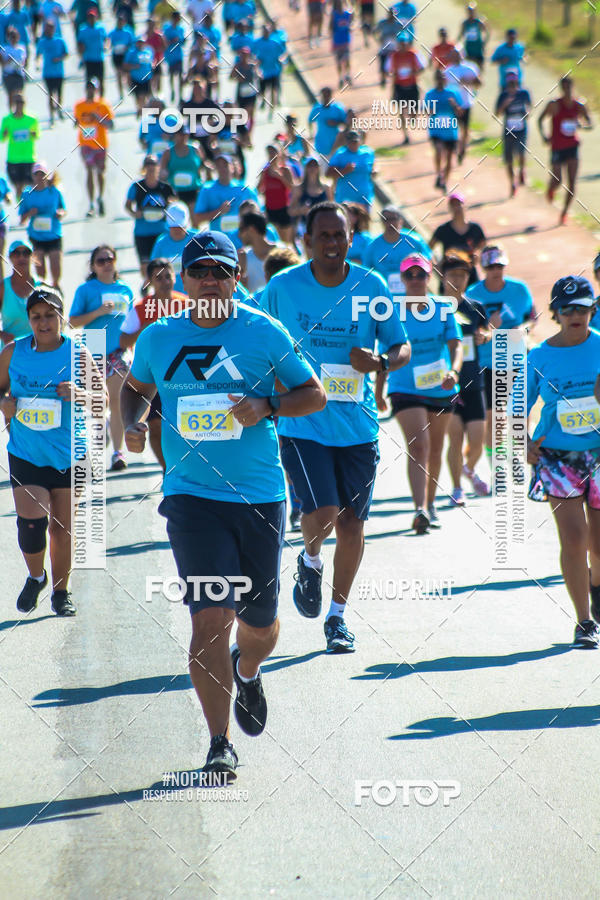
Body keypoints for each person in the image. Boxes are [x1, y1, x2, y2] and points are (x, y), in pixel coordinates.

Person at [122, 231, 325, 779]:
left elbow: (314, 394)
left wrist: (267, 405)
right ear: (184, 280)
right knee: (211, 618)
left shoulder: (263, 331)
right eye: (200, 271)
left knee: (259, 623)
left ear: (237, 277)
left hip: (258, 497)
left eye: (220, 271)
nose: (210, 280)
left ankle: (248, 669)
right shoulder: (160, 336)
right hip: (191, 498)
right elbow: (136, 387)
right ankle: (219, 743)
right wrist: (132, 423)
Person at [261, 201, 410, 652]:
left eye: (339, 234)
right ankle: (310, 560)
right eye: (322, 235)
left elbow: (401, 346)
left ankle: (337, 617)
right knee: (324, 513)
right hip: (302, 422)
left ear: (351, 238)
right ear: (306, 240)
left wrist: (380, 362)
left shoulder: (372, 285)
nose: (331, 242)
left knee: (352, 525)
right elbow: (254, 333)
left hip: (358, 427)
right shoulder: (282, 287)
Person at [0, 286, 97, 617]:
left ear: (61, 317)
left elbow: (103, 401)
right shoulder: (13, 352)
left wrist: (80, 394)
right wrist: (5, 404)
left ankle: (61, 592)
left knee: (62, 528)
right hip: (27, 452)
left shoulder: (78, 353)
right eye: (36, 317)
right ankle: (36, 577)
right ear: (28, 319)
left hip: (70, 453)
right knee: (31, 524)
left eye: (50, 316)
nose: (43, 323)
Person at [528, 276, 600, 648]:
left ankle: (596, 587)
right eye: (567, 308)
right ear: (556, 312)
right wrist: (523, 442)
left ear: (593, 310)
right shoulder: (539, 356)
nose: (576, 315)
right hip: (558, 459)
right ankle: (584, 621)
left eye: (582, 308)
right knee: (574, 538)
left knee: (598, 546)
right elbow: (514, 407)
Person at [376, 254, 462, 532]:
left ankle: (431, 503)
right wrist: (379, 391)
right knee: (419, 446)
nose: (415, 280)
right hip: (404, 388)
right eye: (409, 275)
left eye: (421, 274)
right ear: (401, 279)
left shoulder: (443, 308)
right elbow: (385, 354)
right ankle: (419, 508)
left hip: (440, 386)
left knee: (435, 449)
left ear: (429, 277)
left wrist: (454, 371)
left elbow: (456, 345)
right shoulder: (392, 312)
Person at [465, 244, 535, 471]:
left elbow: (532, 316)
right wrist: (487, 330)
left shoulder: (519, 289)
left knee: (518, 415)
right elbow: (469, 330)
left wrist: (524, 328)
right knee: (494, 419)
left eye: (499, 266)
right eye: (491, 267)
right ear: (483, 268)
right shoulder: (473, 294)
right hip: (487, 364)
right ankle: (497, 466)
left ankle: (518, 457)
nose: (496, 270)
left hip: (516, 360)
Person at [119, 257, 190, 470]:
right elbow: (123, 341)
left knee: (184, 427)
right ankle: (167, 470)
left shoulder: (187, 304)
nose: (165, 281)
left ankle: (184, 469)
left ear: (175, 277)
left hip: (184, 374)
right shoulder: (141, 309)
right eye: (158, 278)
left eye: (168, 276)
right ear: (149, 281)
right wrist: (148, 327)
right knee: (156, 426)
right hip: (153, 375)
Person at [69, 245, 134, 471]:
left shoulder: (125, 289)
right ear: (93, 266)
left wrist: (132, 346)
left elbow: (131, 322)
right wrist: (98, 311)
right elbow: (72, 321)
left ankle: (118, 453)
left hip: (118, 349)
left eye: (110, 259)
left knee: (116, 401)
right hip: (94, 345)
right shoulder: (86, 290)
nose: (106, 264)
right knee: (98, 403)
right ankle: (103, 425)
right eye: (101, 261)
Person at [441, 251, 490, 505]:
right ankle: (457, 488)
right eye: (452, 275)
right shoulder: (435, 308)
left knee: (478, 440)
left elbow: (486, 330)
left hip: (474, 379)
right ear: (442, 277)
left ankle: (468, 469)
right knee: (456, 438)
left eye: (462, 275)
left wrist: (485, 336)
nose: (457, 280)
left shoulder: (475, 307)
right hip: (448, 383)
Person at [538, 76, 592, 226]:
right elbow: (540, 120)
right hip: (557, 147)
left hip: (572, 146)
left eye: (569, 87)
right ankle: (551, 189)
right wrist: (544, 136)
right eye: (565, 87)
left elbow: (590, 123)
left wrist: (581, 125)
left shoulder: (579, 105)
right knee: (557, 180)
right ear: (562, 88)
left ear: (572, 87)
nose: (567, 90)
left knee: (572, 183)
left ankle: (564, 212)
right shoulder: (554, 105)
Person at [125, 155, 175, 280]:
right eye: (148, 164)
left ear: (158, 167)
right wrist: (134, 213)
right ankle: (148, 283)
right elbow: (127, 205)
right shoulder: (137, 187)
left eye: (153, 164)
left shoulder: (165, 188)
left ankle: (159, 285)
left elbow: (175, 205)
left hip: (161, 232)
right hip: (142, 232)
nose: (151, 167)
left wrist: (170, 208)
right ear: (144, 168)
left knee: (162, 263)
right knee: (145, 265)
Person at [362, 205, 431, 291]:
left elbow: (428, 261)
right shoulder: (372, 246)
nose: (390, 223)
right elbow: (366, 271)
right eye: (386, 219)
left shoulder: (414, 241)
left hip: (411, 292)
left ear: (401, 220)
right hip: (383, 293)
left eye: (393, 219)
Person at [18, 161, 64, 288]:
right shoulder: (27, 194)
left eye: (42, 174)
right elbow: (21, 220)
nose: (39, 177)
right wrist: (30, 213)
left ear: (47, 175)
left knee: (56, 265)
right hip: (36, 237)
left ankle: (56, 286)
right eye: (36, 174)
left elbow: (63, 209)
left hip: (54, 234)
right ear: (32, 176)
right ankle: (43, 290)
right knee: (40, 271)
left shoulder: (54, 191)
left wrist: (60, 213)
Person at [73, 78, 114, 218]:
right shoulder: (79, 106)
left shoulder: (103, 105)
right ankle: (90, 204)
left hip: (100, 144)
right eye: (88, 87)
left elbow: (111, 125)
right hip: (86, 144)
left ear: (96, 90)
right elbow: (77, 120)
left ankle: (100, 198)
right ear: (86, 89)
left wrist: (99, 118)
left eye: (93, 88)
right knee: (89, 170)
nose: (90, 90)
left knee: (100, 172)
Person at [193, 153, 258, 235]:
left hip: (242, 240)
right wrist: (218, 211)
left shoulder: (245, 189)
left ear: (232, 167)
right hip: (219, 240)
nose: (222, 169)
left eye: (225, 165)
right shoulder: (207, 189)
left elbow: (259, 214)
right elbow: (197, 219)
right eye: (218, 165)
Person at [429, 192, 485, 285]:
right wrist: (436, 266)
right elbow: (427, 250)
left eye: (459, 204)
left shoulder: (475, 229)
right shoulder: (443, 229)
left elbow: (483, 246)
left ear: (464, 206)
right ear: (449, 208)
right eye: (453, 205)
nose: (456, 208)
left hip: (470, 277)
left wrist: (477, 254)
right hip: (449, 277)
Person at [425, 69, 462, 192]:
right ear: (435, 80)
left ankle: (444, 181)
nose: (440, 81)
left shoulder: (452, 93)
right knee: (439, 150)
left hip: (450, 130)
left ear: (445, 79)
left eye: (442, 78)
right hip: (436, 129)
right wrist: (430, 110)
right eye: (438, 78)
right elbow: (426, 111)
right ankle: (439, 174)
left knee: (450, 158)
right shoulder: (430, 94)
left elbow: (460, 112)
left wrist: (454, 105)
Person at [495, 71, 531, 196]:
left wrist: (527, 111)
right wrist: (505, 104)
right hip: (508, 130)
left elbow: (529, 107)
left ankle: (522, 171)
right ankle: (512, 183)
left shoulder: (524, 93)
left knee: (521, 153)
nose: (512, 84)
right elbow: (497, 113)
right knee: (509, 159)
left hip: (521, 129)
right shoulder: (503, 95)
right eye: (510, 82)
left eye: (514, 82)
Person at [386, 32, 425, 145]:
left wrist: (414, 73)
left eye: (405, 43)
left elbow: (422, 67)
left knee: (413, 112)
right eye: (401, 43)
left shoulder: (413, 54)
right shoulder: (394, 56)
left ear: (407, 44)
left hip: (412, 86)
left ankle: (412, 117)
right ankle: (406, 135)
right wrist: (394, 75)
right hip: (399, 87)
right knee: (401, 112)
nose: (403, 46)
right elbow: (388, 70)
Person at [444, 47, 481, 164]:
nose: (456, 57)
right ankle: (455, 146)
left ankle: (462, 148)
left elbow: (479, 83)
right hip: (453, 104)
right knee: (454, 127)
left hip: (466, 103)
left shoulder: (470, 68)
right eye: (453, 54)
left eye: (457, 54)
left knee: (464, 129)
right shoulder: (448, 71)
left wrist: (468, 82)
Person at [1, 93, 39, 199]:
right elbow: (2, 138)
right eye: (17, 102)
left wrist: (33, 134)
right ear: (14, 103)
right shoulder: (7, 120)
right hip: (14, 158)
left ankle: (29, 204)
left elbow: (37, 135)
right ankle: (21, 206)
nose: (19, 105)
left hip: (28, 157)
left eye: (22, 102)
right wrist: (5, 134)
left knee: (30, 186)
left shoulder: (32, 119)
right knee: (18, 186)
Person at [150, 202, 195, 292]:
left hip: (193, 293)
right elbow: (153, 269)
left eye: (180, 226)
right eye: (173, 227)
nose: (177, 230)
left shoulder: (197, 238)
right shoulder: (161, 243)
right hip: (171, 295)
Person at [159, 125, 202, 218]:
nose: (183, 137)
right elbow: (162, 171)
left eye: (185, 135)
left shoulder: (195, 149)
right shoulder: (168, 152)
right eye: (180, 135)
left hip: (193, 190)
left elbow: (200, 167)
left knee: (195, 220)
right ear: (175, 135)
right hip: (175, 192)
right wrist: (164, 174)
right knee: (177, 219)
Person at [327, 130, 375, 210]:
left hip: (364, 198)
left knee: (365, 218)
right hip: (345, 199)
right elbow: (328, 174)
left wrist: (374, 171)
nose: (353, 145)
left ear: (360, 141)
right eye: (351, 142)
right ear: (346, 143)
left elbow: (372, 166)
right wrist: (345, 170)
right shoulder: (340, 154)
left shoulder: (368, 152)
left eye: (355, 142)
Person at [0, 239, 37, 344]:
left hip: (38, 349)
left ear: (32, 256)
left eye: (26, 253)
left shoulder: (42, 287)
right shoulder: (3, 288)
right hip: (11, 350)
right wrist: (3, 335)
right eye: (16, 253)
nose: (21, 257)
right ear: (10, 258)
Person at [258, 145, 296, 244]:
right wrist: (264, 191)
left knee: (286, 242)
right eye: (269, 153)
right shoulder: (265, 171)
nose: (271, 156)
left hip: (283, 209)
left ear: (278, 154)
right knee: (273, 241)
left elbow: (292, 188)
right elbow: (258, 188)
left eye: (273, 153)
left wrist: (279, 177)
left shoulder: (285, 170)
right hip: (270, 209)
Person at [35, 18, 67, 123]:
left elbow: (66, 53)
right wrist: (37, 64)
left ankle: (59, 109)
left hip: (59, 72)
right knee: (50, 95)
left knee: (59, 94)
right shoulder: (42, 42)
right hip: (48, 73)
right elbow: (38, 54)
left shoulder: (60, 40)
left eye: (51, 28)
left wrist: (59, 58)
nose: (50, 30)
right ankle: (51, 116)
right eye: (48, 28)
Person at [237, 211, 278, 293]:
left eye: (241, 229)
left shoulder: (283, 252)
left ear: (252, 229)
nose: (239, 235)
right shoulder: (242, 258)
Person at [289, 157, 331, 236]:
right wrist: (301, 210)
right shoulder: (299, 188)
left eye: (315, 165)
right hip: (306, 226)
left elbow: (332, 208)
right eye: (310, 165)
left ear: (319, 168)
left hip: (324, 226)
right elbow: (290, 211)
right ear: (305, 168)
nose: (312, 168)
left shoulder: (326, 187)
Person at [308, 87, 346, 169]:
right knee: (321, 171)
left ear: (331, 96)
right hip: (320, 146)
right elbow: (310, 120)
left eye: (327, 95)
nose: (325, 98)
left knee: (334, 171)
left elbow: (346, 123)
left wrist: (336, 123)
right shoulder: (317, 109)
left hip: (335, 146)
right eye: (324, 95)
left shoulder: (337, 108)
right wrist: (311, 133)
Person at [253, 23, 285, 112]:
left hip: (274, 70)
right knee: (263, 90)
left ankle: (273, 107)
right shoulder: (257, 42)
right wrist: (256, 68)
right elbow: (253, 55)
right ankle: (263, 102)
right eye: (264, 31)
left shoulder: (275, 42)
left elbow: (282, 53)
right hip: (263, 71)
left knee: (274, 89)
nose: (266, 33)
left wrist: (281, 61)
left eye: (267, 31)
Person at [77, 8, 107, 94]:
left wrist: (106, 46)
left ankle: (101, 97)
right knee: (89, 81)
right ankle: (90, 97)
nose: (92, 19)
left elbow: (106, 39)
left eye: (93, 17)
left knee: (101, 80)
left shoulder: (101, 28)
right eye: (90, 17)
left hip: (99, 57)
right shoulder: (83, 29)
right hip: (89, 58)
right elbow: (80, 43)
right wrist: (81, 55)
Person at [123, 35, 154, 116]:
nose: (140, 44)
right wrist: (134, 66)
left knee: (147, 96)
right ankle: (141, 110)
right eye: (139, 42)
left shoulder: (148, 51)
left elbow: (151, 62)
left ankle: (141, 109)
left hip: (147, 77)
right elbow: (125, 65)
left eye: (142, 42)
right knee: (139, 96)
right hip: (136, 78)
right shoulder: (131, 52)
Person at [108, 11, 135, 100]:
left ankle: (130, 87)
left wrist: (128, 48)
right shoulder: (113, 32)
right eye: (119, 21)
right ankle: (121, 93)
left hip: (125, 55)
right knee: (118, 74)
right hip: (117, 55)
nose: (120, 23)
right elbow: (108, 42)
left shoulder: (128, 32)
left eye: (122, 21)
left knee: (127, 74)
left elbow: (132, 43)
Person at [1, 26, 27, 111]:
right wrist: (9, 60)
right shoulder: (4, 49)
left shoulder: (21, 48)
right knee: (11, 95)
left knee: (19, 94)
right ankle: (11, 111)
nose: (13, 39)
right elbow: (3, 64)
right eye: (11, 37)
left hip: (19, 74)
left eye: (15, 36)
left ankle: (20, 110)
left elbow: (24, 61)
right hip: (9, 75)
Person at [457, 2, 488, 69]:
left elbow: (486, 32)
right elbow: (461, 35)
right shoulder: (465, 23)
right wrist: (457, 44)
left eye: (472, 11)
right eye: (469, 11)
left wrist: (484, 42)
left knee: (479, 69)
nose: (471, 13)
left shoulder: (479, 22)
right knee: (469, 68)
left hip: (478, 49)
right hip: (468, 49)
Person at [163, 9, 185, 102]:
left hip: (179, 55)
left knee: (180, 75)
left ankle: (180, 94)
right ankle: (172, 90)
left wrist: (182, 40)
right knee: (172, 75)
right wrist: (173, 40)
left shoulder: (181, 29)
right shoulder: (167, 29)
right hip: (171, 55)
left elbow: (183, 41)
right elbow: (164, 42)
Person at [330, 0, 353, 87]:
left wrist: (350, 27)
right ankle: (340, 77)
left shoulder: (347, 14)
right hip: (337, 41)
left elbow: (351, 24)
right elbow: (331, 28)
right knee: (339, 61)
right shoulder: (334, 15)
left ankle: (347, 74)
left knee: (347, 59)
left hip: (345, 40)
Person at [374, 7, 399, 87]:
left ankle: (395, 80)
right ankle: (383, 79)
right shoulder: (382, 23)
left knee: (394, 65)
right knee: (383, 64)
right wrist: (378, 40)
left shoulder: (398, 24)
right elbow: (375, 31)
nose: (392, 16)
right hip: (384, 48)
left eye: (394, 14)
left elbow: (403, 33)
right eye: (390, 14)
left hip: (394, 48)